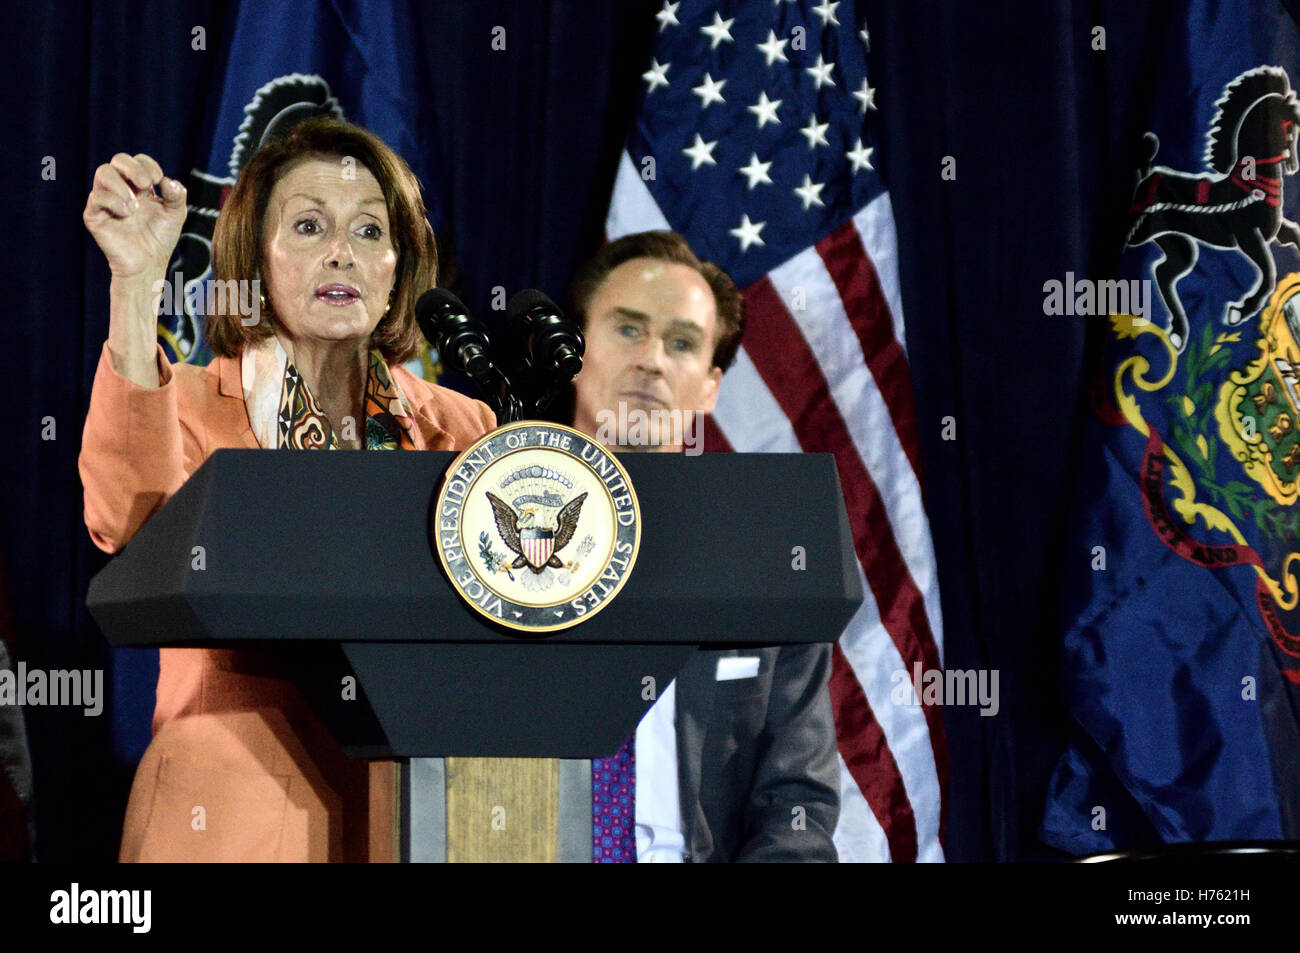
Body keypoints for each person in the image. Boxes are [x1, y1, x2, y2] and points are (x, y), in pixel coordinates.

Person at [79, 117, 495, 862]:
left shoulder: (461, 427)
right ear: (254, 257)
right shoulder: (188, 404)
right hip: (229, 813)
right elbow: (128, 525)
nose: (342, 251)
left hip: (418, 814)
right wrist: (137, 286)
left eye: (370, 231)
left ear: (398, 265)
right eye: (309, 225)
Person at [568, 231, 840, 861]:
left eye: (683, 343)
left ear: (711, 385)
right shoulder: (495, 536)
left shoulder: (769, 559)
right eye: (628, 330)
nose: (653, 360)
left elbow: (796, 797)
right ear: (576, 347)